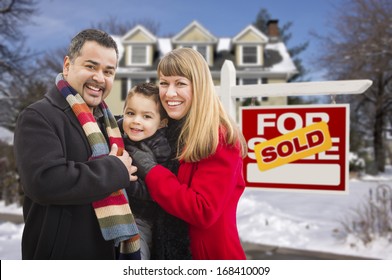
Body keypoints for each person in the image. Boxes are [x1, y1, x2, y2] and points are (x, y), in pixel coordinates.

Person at [13, 29, 140, 260]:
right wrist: (115, 169)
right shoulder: (38, 116)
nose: (100, 78)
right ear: (67, 65)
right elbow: (44, 181)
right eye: (91, 67)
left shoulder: (111, 125)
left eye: (108, 71)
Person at [128, 48, 248, 260]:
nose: (169, 93)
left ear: (199, 86)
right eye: (164, 83)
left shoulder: (218, 137)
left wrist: (151, 170)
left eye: (180, 83)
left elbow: (203, 210)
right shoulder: (169, 130)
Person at [119, 82, 191, 260]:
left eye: (146, 116)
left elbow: (153, 192)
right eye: (130, 113)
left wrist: (123, 180)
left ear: (161, 123)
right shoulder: (118, 132)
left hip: (141, 217)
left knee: (136, 255)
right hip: (118, 211)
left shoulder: (161, 149)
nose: (136, 120)